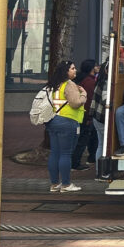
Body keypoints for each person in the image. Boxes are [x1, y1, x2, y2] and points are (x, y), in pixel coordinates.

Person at [46, 60, 87, 193]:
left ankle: (54, 184)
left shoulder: (54, 84)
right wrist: (84, 95)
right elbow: (75, 103)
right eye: (72, 68)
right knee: (66, 154)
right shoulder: (69, 85)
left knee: (55, 153)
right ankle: (66, 184)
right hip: (68, 122)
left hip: (53, 121)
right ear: (66, 71)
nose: (75, 70)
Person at [71, 59, 99, 171]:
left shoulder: (81, 79)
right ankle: (76, 163)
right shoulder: (90, 82)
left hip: (80, 114)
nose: (98, 67)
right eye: (96, 66)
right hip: (85, 115)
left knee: (91, 137)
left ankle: (91, 157)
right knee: (83, 139)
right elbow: (89, 101)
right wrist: (89, 116)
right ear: (92, 68)